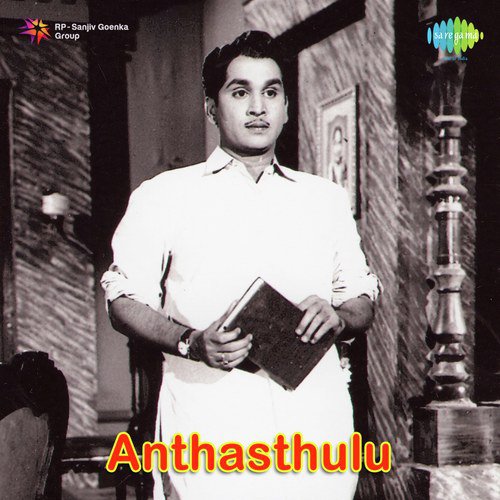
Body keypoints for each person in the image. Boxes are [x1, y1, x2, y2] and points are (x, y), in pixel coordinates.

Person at [102, 31, 380, 500]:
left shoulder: (324, 199)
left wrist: (339, 315)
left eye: (271, 92)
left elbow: (362, 296)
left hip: (315, 421)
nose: (257, 107)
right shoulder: (165, 195)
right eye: (240, 92)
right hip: (210, 422)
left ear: (286, 107)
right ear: (212, 108)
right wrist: (190, 341)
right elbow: (123, 299)